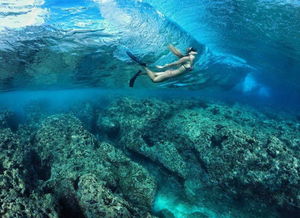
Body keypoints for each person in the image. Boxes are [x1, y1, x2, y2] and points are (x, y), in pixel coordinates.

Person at [127, 44, 198, 86]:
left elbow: (187, 58)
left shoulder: (189, 60)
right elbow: (174, 63)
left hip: (170, 73)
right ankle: (144, 66)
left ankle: (139, 73)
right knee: (154, 80)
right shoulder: (187, 59)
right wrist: (163, 66)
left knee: (154, 74)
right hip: (170, 74)